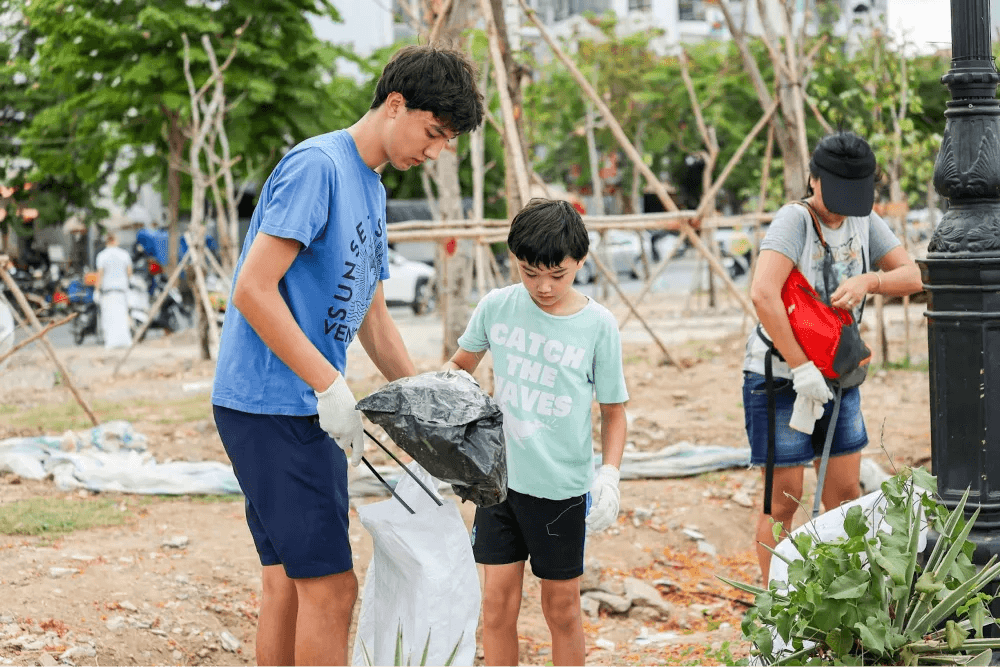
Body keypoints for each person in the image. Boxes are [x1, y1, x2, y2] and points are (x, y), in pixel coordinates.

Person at [210, 45, 483, 666]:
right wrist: (329, 385)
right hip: (274, 405)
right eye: (433, 132)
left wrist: (425, 406)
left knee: (288, 582)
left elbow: (373, 315)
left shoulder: (372, 187)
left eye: (447, 141)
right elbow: (252, 289)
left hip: (302, 406)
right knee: (332, 589)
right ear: (395, 104)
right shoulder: (320, 167)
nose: (435, 151)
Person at [443, 198, 629, 667]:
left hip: (561, 489)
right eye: (530, 273)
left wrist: (609, 474)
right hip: (499, 484)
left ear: (580, 263)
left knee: (561, 608)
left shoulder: (598, 326)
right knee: (496, 605)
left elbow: (614, 411)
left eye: (558, 274)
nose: (543, 286)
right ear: (515, 261)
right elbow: (458, 371)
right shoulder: (497, 307)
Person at [743, 131, 922, 582]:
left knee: (844, 495)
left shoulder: (863, 219)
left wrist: (869, 282)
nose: (842, 206)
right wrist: (801, 368)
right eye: (836, 192)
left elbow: (912, 274)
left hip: (839, 374)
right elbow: (763, 294)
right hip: (784, 375)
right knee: (783, 499)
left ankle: (838, 599)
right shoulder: (794, 220)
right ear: (813, 180)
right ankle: (775, 613)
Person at [94, 231, 133, 349]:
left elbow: (100, 275)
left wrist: (96, 290)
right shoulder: (124, 254)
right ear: (115, 240)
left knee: (109, 318)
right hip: (122, 291)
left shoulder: (102, 255)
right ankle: (125, 341)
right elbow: (129, 273)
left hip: (108, 292)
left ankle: (111, 343)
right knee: (122, 317)